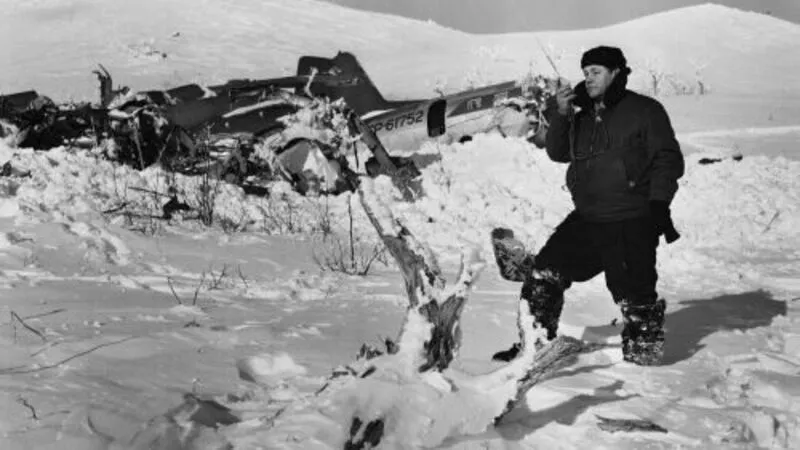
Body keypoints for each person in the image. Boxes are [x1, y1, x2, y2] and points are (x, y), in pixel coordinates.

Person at [493, 45, 685, 366]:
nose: (589, 78)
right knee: (544, 274)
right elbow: (557, 152)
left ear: (616, 73)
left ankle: (644, 356)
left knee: (634, 294)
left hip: (630, 217)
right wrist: (562, 114)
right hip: (588, 218)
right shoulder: (582, 115)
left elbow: (667, 159)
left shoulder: (644, 110)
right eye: (585, 72)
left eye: (596, 71)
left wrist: (658, 205)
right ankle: (534, 347)